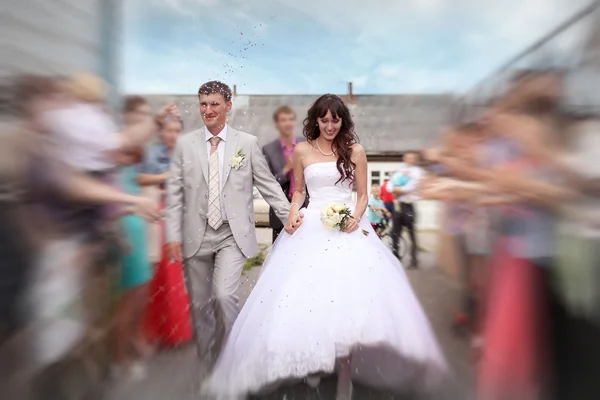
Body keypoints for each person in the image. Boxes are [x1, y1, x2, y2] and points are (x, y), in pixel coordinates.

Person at [202, 94, 447, 400]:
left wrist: (356, 219)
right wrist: (292, 212)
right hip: (311, 225)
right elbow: (299, 191)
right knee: (306, 296)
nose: (330, 125)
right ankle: (318, 363)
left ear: (343, 121)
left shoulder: (355, 151)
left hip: (349, 227)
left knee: (354, 297)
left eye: (336, 120)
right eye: (324, 119)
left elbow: (361, 195)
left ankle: (351, 363)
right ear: (315, 120)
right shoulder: (303, 150)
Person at [164, 81, 294, 381]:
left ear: (228, 106)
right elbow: (174, 193)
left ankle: (235, 364)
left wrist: (289, 216)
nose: (207, 110)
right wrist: (172, 234)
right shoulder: (185, 145)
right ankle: (210, 368)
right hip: (195, 235)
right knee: (201, 308)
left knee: (223, 296)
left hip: (232, 235)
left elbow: (268, 185)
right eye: (203, 104)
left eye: (214, 104)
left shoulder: (246, 144)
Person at [262, 105, 308, 242]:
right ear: (276, 123)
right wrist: (286, 169)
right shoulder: (268, 150)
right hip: (281, 209)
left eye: (291, 119)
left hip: (306, 207)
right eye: (283, 120)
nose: (288, 123)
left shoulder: (306, 145)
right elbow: (268, 183)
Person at [388, 151, 424, 268]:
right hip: (398, 205)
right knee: (395, 233)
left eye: (412, 158)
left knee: (411, 234)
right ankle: (395, 258)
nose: (409, 159)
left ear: (415, 159)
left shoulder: (417, 172)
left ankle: (414, 261)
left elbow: (410, 188)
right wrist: (397, 188)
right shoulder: (400, 170)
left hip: (409, 205)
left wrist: (397, 189)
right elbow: (389, 187)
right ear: (404, 158)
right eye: (407, 157)